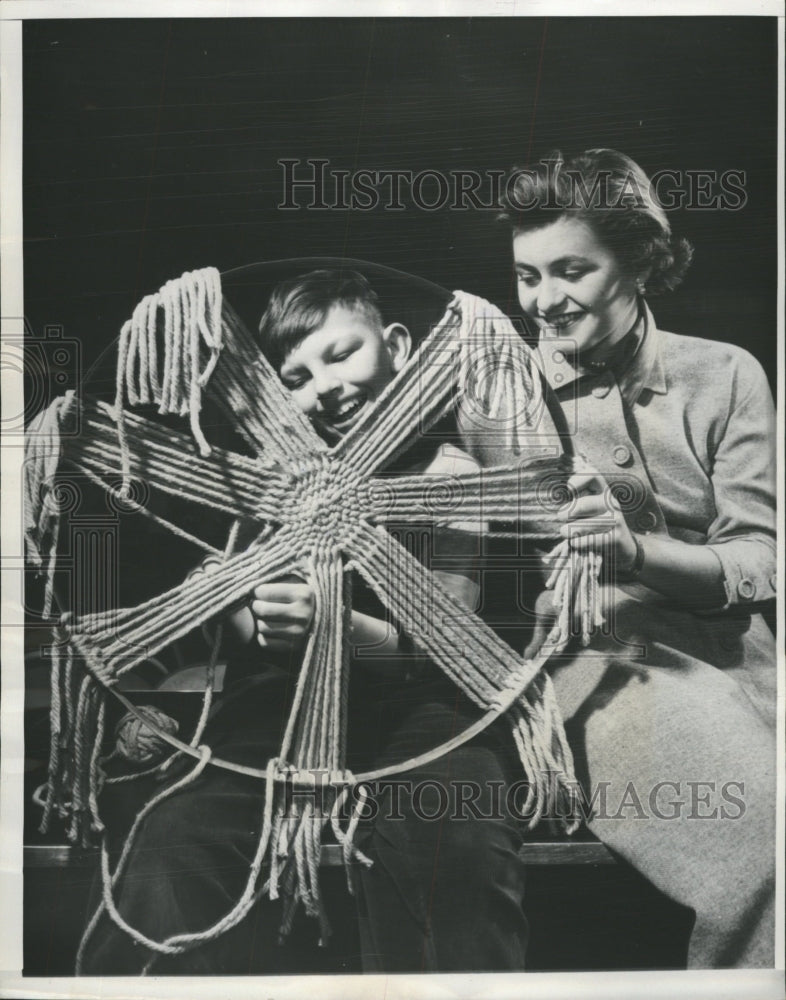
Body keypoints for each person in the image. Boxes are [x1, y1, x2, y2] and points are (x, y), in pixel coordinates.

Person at [79, 269, 534, 974]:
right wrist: (237, 609)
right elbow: (232, 615)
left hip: (423, 715)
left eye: (340, 353)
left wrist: (335, 628)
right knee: (173, 842)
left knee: (459, 844)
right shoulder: (269, 487)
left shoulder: (452, 476)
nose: (323, 387)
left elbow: (447, 643)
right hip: (276, 716)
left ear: (400, 347)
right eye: (294, 376)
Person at [498, 148, 777, 968]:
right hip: (601, 670)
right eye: (525, 276)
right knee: (767, 843)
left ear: (641, 262)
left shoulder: (725, 374)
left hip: (752, 667)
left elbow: (762, 555)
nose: (544, 300)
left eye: (571, 270)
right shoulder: (499, 392)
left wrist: (635, 550)